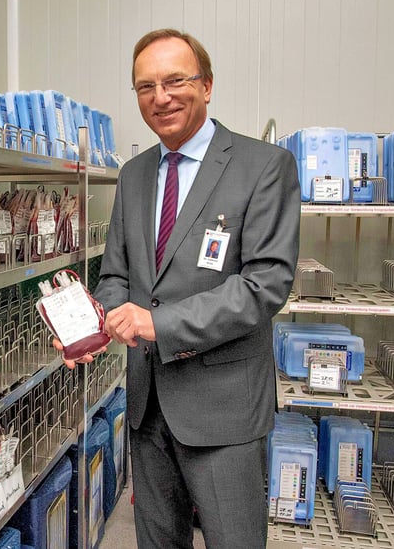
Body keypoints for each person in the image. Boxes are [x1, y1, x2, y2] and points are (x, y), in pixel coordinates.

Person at [53, 28, 300, 548]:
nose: (160, 97)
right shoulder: (134, 174)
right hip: (148, 407)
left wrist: (155, 323)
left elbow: (264, 285)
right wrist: (90, 328)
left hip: (224, 409)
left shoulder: (262, 167)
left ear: (207, 86)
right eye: (145, 87)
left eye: (175, 80)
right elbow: (118, 276)